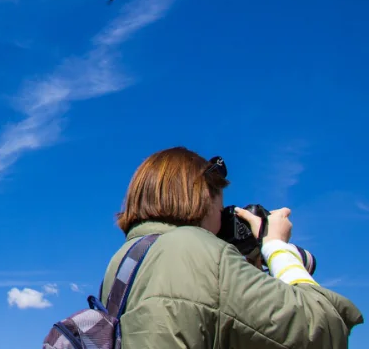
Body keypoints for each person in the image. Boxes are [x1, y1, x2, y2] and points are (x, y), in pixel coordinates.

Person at [100, 146, 363, 348]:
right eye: (222, 205)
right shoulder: (196, 249)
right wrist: (276, 248)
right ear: (205, 196)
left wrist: (248, 271)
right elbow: (324, 329)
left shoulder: (125, 262)